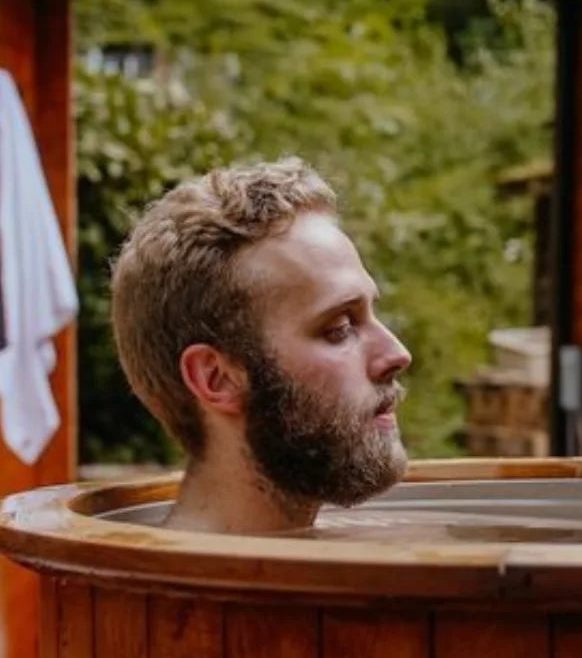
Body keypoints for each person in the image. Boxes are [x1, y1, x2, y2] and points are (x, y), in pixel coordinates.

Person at [110, 157, 412, 534]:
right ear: (217, 379)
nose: (397, 354)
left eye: (372, 312)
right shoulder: (176, 590)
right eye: (339, 327)